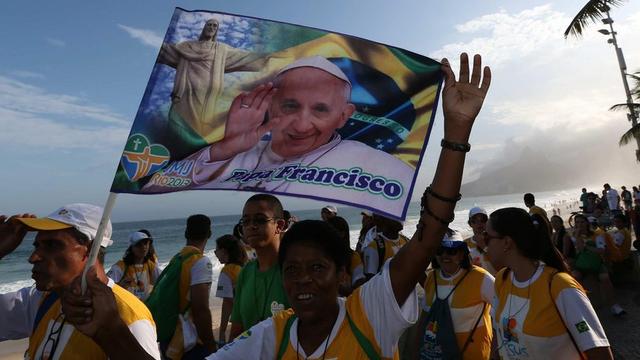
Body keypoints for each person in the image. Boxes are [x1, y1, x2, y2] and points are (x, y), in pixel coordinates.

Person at [207, 52, 492, 359]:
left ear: (343, 274)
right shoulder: (272, 335)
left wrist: (457, 132)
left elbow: (428, 236)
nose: (303, 278)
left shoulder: (369, 315)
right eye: (291, 269)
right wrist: (226, 146)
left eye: (317, 267)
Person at [143, 56, 414, 217]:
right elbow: (154, 185)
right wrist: (224, 148)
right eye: (290, 106)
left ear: (344, 115)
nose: (302, 124)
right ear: (271, 105)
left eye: (320, 109)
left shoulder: (380, 166)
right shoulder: (238, 153)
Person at [0, 204, 161, 359]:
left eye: (51, 245)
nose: (33, 257)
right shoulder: (42, 300)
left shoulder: (129, 318)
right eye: (37, 246)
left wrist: (111, 334)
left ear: (91, 250)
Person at [484, 208, 612, 359]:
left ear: (507, 242)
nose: (482, 241)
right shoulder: (502, 279)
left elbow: (599, 352)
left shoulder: (560, 286)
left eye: (487, 237)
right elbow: (499, 335)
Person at [157, 18, 270, 136]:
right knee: (178, 123)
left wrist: (269, 59)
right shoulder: (187, 47)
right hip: (185, 92)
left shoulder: (221, 50)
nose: (211, 27)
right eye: (209, 25)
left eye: (214, 26)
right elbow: (166, 51)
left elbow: (243, 58)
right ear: (204, 27)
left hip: (207, 94)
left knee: (201, 125)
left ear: (216, 31)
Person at [412, 231, 494, 359]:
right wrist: (416, 350)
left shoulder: (482, 278)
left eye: (451, 251)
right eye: (440, 250)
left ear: (462, 254)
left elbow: (503, 312)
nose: (445, 255)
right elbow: (425, 318)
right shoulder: (431, 278)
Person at [228, 194, 291, 340]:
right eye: (245, 221)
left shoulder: (293, 271)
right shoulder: (246, 273)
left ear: (279, 226)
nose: (251, 226)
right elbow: (237, 330)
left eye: (260, 220)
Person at [155, 214, 217, 358]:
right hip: (189, 340)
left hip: (170, 334)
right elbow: (200, 309)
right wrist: (210, 343)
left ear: (185, 233)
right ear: (209, 234)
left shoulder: (177, 258)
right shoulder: (201, 262)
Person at [570, 214, 625, 317]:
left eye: (582, 222)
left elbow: (601, 250)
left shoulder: (597, 235)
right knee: (574, 278)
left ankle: (614, 305)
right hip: (581, 265)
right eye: (577, 222)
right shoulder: (573, 236)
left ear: (587, 223)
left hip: (596, 263)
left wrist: (586, 246)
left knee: (605, 278)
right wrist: (578, 237)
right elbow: (580, 249)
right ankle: (582, 307)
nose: (579, 224)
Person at [214, 234, 248, 345]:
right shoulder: (245, 267)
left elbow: (228, 303)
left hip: (239, 321)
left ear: (224, 251)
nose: (215, 254)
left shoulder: (227, 272)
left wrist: (222, 331)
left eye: (216, 251)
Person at [107, 231, 161, 300]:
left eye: (146, 243)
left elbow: (163, 280)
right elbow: (105, 287)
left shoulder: (149, 265)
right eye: (139, 244)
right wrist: (120, 286)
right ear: (131, 248)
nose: (143, 247)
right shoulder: (120, 267)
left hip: (144, 308)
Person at [326, 216, 366, 295]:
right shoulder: (321, 256)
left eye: (329, 232)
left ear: (342, 234)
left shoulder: (353, 256)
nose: (325, 236)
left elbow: (359, 282)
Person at [362, 214, 409, 280]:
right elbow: (370, 280)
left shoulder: (406, 241)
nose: (400, 219)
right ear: (385, 220)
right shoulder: (374, 247)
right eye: (394, 216)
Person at [464, 206, 496, 275]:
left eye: (483, 220)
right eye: (474, 221)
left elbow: (502, 264)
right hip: (477, 282)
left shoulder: (496, 240)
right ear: (470, 223)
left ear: (487, 222)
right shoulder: (465, 244)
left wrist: (485, 247)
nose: (479, 223)